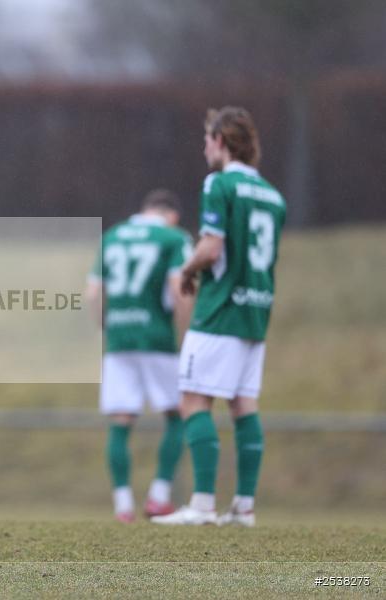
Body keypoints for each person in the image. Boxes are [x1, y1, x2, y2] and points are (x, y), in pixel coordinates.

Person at [152, 107, 286, 527]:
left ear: (222, 141)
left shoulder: (219, 183)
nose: (204, 146)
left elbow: (211, 249)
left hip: (220, 310)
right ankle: (244, 507)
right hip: (256, 310)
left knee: (193, 399)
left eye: (208, 138)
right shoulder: (273, 195)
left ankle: (203, 504)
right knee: (244, 403)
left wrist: (188, 271)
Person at [86, 189, 194, 523]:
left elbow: (92, 292)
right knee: (177, 413)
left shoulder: (113, 236)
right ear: (171, 215)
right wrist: (184, 334)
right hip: (157, 337)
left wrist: (105, 327)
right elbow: (180, 288)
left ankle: (122, 505)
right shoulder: (174, 237)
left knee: (121, 421)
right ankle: (159, 497)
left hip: (119, 339)